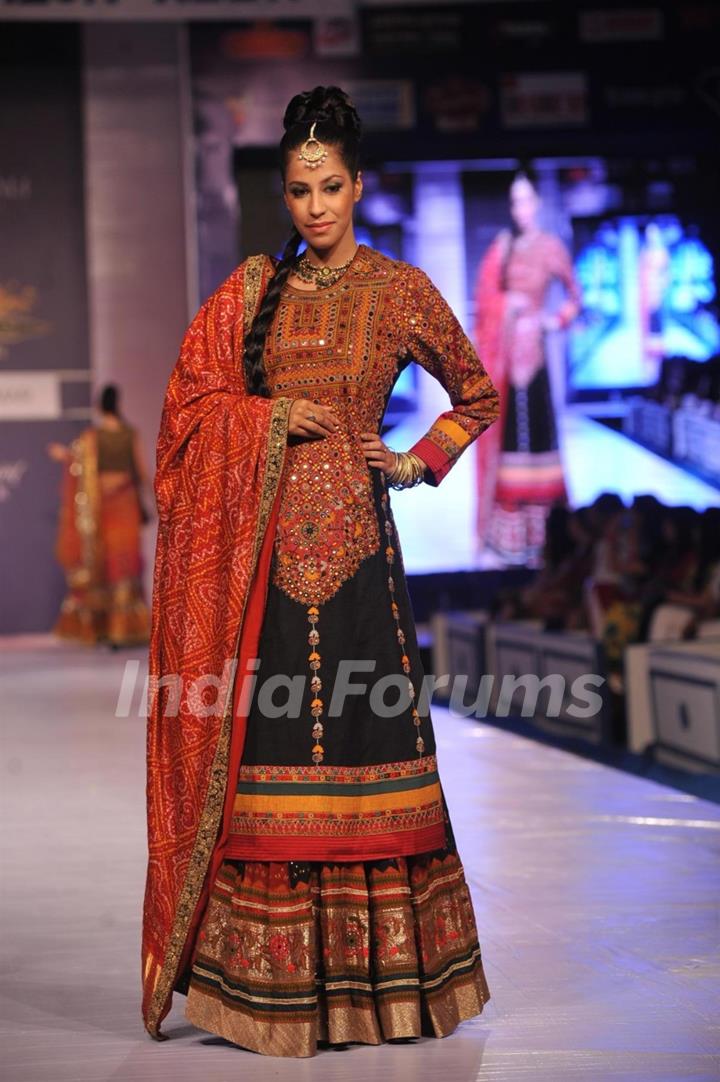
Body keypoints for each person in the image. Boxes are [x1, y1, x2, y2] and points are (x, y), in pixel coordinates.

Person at [141, 86, 500, 1058]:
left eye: (330, 185)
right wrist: (264, 421)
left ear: (359, 184)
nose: (314, 206)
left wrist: (418, 458)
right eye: (299, 189)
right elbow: (186, 409)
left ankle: (386, 991)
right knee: (270, 769)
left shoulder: (401, 292)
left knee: (366, 756)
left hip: (360, 578)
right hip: (264, 574)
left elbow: (477, 392)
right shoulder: (256, 294)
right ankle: (271, 992)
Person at [474, 167, 581, 567]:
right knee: (509, 439)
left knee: (537, 435)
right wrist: (507, 306)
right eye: (513, 201)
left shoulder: (550, 247)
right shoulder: (502, 247)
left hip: (534, 356)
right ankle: (507, 538)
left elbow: (575, 296)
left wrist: (553, 322)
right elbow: (484, 301)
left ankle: (545, 537)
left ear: (536, 203)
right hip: (503, 359)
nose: (519, 208)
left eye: (525, 200)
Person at [47, 383, 151, 647]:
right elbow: (141, 472)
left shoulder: (92, 437)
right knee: (122, 561)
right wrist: (158, 500)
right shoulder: (129, 433)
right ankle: (122, 629)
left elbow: (78, 462)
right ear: (118, 403)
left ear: (98, 405)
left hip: (104, 507)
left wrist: (64, 457)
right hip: (125, 503)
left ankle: (106, 628)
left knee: (106, 562)